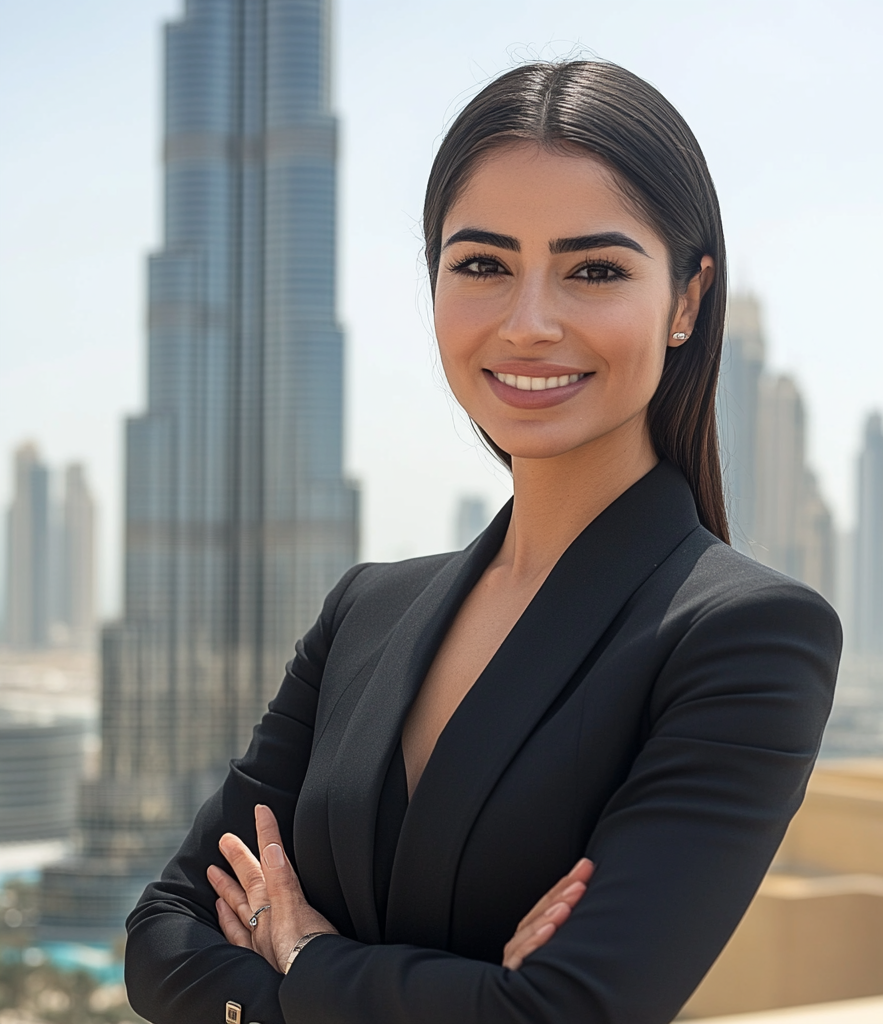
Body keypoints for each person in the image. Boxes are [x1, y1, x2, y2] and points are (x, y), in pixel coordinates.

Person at [124, 60, 841, 1024]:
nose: (529, 322)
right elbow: (162, 936)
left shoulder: (748, 638)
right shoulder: (365, 613)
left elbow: (563, 1011)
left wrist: (302, 951)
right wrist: (461, 992)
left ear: (685, 301)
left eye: (594, 270)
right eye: (483, 265)